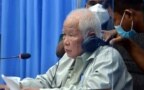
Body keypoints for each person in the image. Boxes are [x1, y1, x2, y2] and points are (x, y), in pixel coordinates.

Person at [1, 8, 132, 90]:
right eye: (64, 35)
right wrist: (18, 86)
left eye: (71, 35)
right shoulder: (69, 56)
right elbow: (46, 80)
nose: (65, 41)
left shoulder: (109, 58)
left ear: (90, 37)